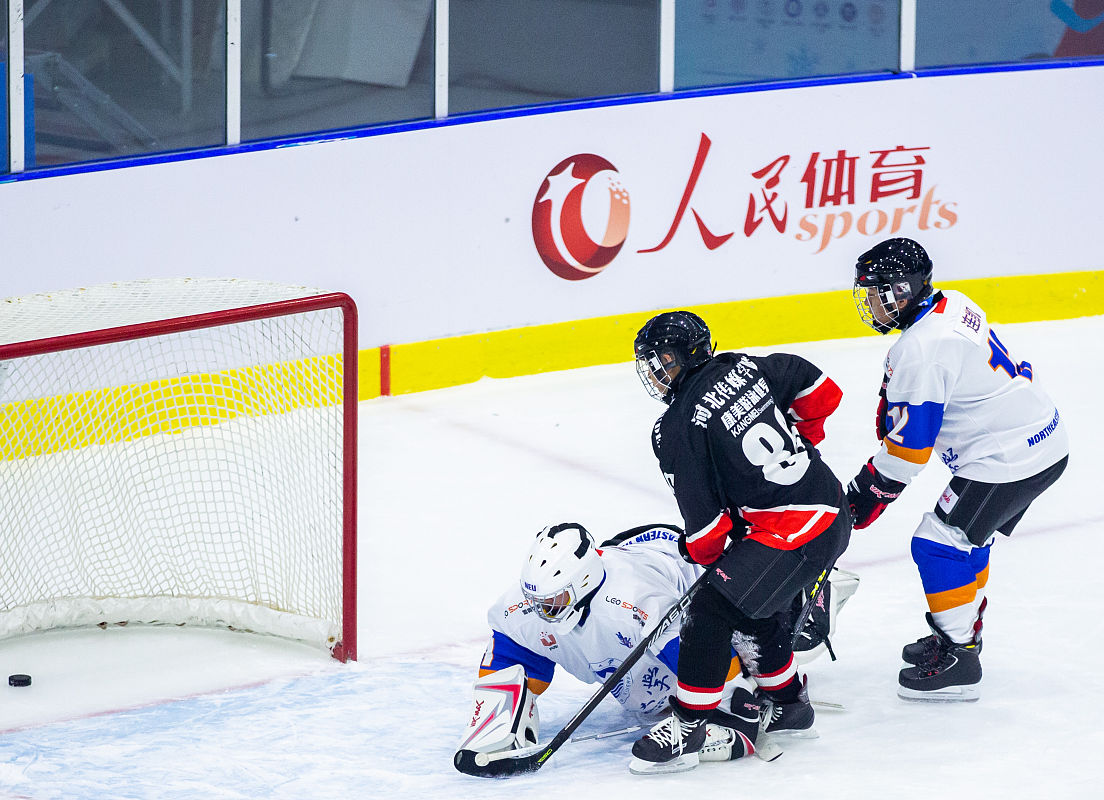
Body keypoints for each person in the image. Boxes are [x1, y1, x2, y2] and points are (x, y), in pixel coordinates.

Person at [844, 237, 1069, 701]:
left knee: (938, 544)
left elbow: (908, 454)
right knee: (969, 536)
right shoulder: (951, 304)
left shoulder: (923, 350)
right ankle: (960, 629)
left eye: (872, 293)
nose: (867, 303)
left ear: (899, 292)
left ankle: (960, 653)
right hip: (1039, 438)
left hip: (1008, 461)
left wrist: (863, 495)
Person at [626, 311, 851, 774]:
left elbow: (708, 534)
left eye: (664, 360)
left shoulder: (676, 427)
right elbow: (822, 391)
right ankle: (788, 703)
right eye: (651, 362)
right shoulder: (744, 366)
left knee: (712, 607)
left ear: (689, 354)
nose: (656, 371)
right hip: (828, 504)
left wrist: (701, 551)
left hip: (796, 531)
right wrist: (802, 447)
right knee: (751, 602)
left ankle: (689, 725)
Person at [454, 521, 858, 764]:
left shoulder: (635, 606)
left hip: (689, 571)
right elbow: (512, 658)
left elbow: (716, 666)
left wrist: (728, 708)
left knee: (757, 643)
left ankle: (810, 596)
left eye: (553, 601)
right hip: (639, 553)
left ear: (579, 586)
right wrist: (499, 716)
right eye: (536, 600)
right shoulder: (524, 607)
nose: (541, 611)